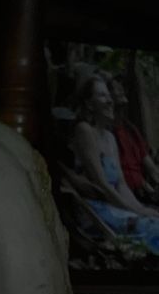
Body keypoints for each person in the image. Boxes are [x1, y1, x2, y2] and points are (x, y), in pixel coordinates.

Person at [62, 74, 159, 256]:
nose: (109, 101)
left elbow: (121, 184)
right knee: (152, 226)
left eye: (108, 95)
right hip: (97, 212)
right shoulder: (84, 130)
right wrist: (135, 211)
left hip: (117, 208)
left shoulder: (110, 137)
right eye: (102, 96)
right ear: (89, 104)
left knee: (154, 219)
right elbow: (101, 184)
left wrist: (140, 208)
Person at [109, 76, 159, 203]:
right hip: (126, 196)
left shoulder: (131, 129)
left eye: (122, 88)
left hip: (145, 192)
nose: (122, 91)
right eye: (116, 89)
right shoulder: (108, 134)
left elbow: (151, 168)